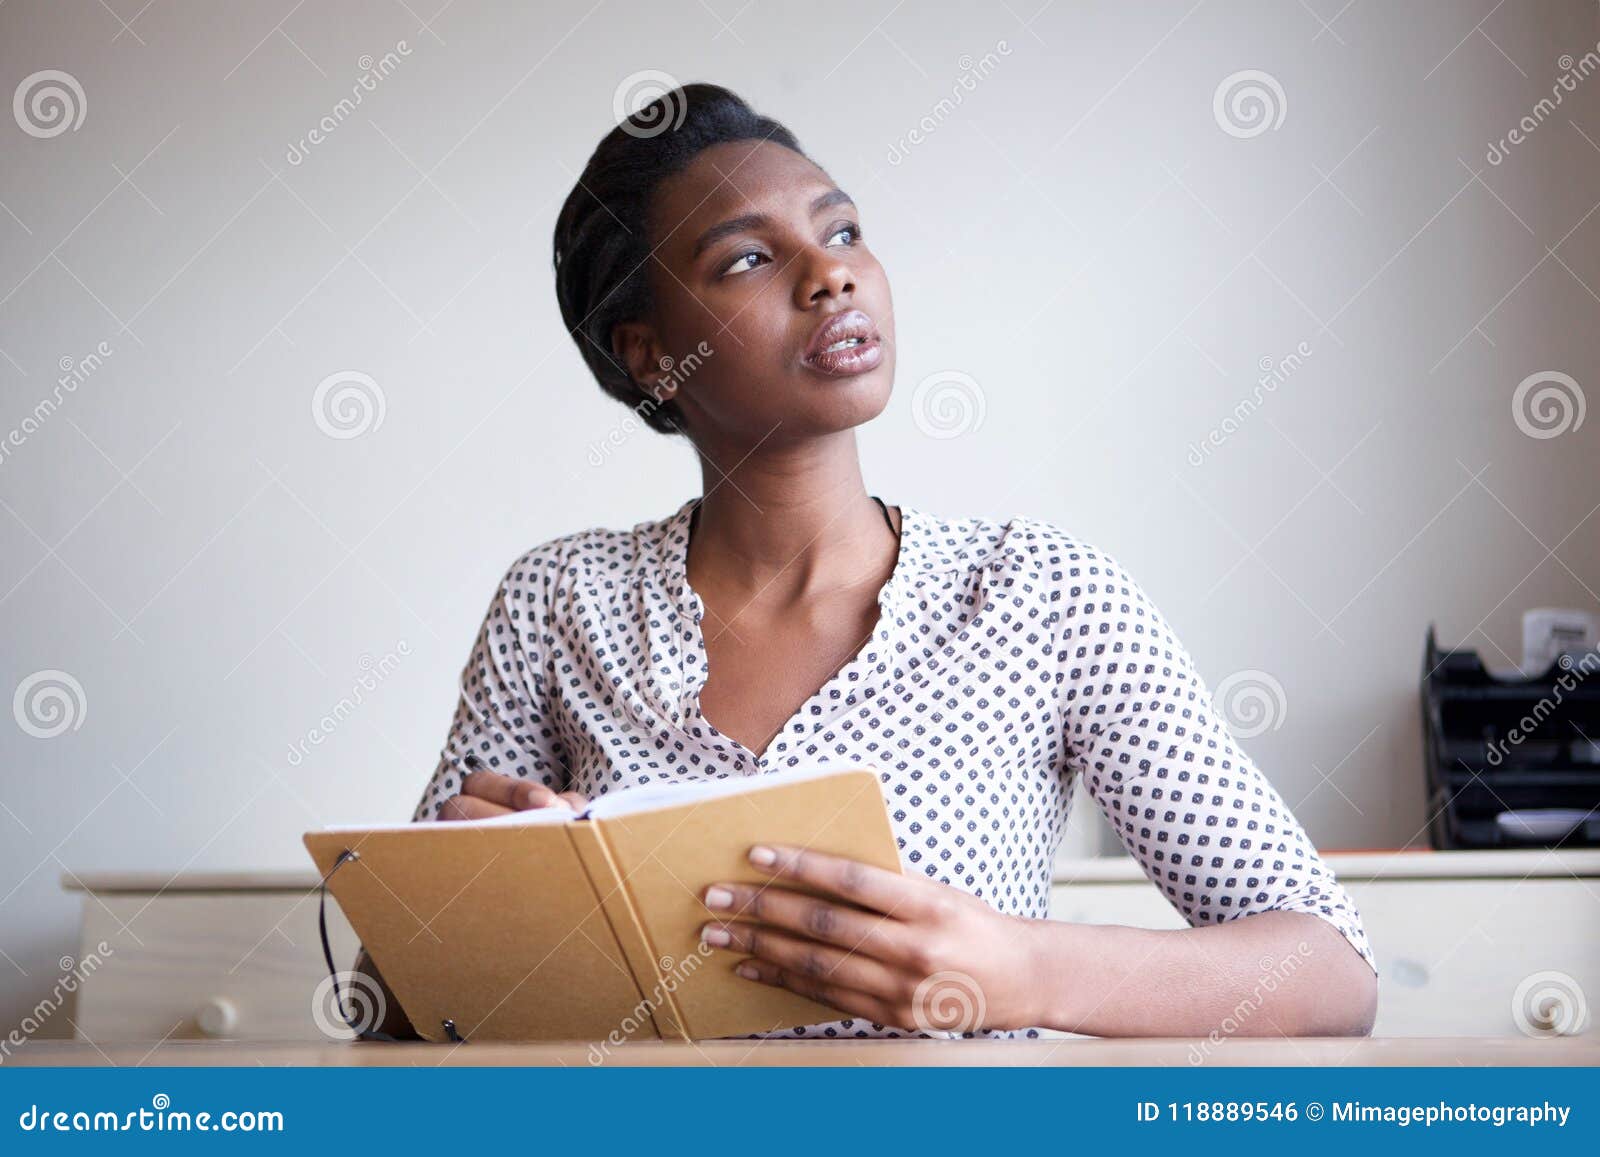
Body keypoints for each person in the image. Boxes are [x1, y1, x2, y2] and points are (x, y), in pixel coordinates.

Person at [353, 82, 1378, 1042]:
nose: (830, 272)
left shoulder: (1040, 593)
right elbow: (389, 1018)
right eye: (748, 259)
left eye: (842, 232)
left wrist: (1027, 969)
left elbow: (1331, 973)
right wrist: (465, 899)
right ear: (649, 354)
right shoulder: (557, 601)